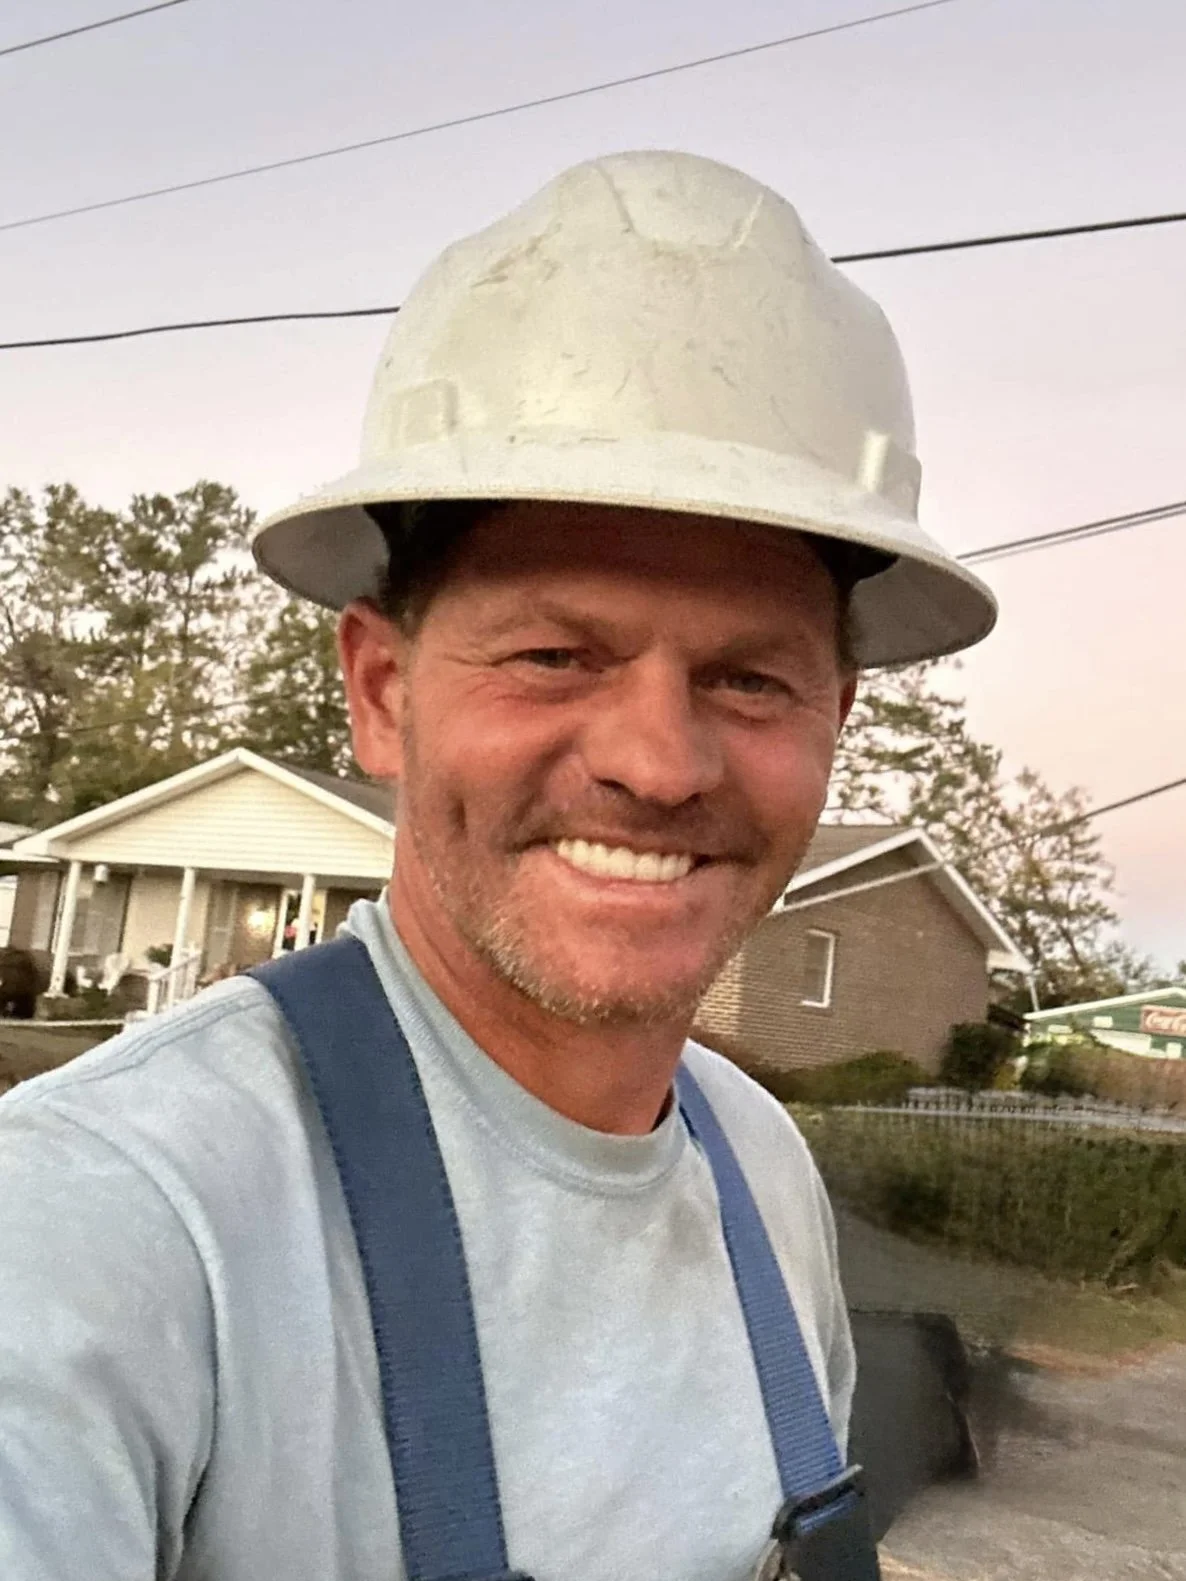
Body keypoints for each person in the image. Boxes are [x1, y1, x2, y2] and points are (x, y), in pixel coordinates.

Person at [0, 152, 995, 1580]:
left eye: (750, 678)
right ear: (382, 690)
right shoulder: (104, 1229)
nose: (658, 764)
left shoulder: (756, 1170)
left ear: (834, 718)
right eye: (553, 655)